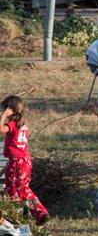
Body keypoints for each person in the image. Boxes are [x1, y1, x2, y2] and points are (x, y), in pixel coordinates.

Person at [1, 96, 49, 224]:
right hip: (23, 161)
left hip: (18, 162)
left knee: (18, 190)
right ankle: (24, 214)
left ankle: (39, 212)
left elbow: (0, 129)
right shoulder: (23, 124)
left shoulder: (12, 124)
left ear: (10, 110)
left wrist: (3, 116)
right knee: (17, 189)